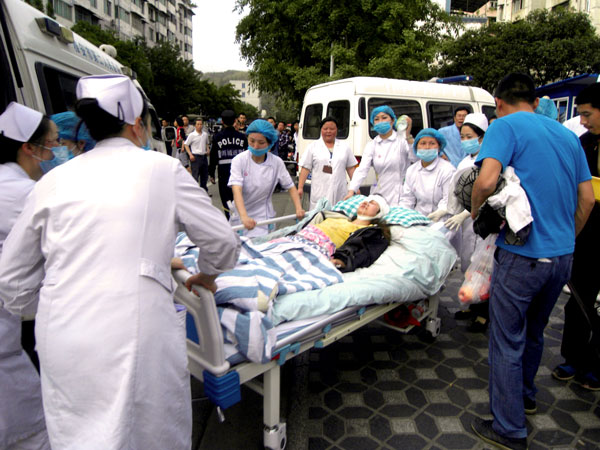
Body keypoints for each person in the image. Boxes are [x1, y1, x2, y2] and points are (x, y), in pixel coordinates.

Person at [0, 74, 240, 449]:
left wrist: (61, 299)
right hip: (138, 328)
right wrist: (206, 274)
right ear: (134, 122)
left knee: (77, 436)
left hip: (63, 334)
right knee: (150, 433)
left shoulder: (51, 182)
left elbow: (11, 280)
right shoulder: (162, 169)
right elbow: (223, 241)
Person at [469, 73, 594, 450]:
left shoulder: (504, 126)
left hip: (523, 256)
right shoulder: (568, 136)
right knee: (534, 331)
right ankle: (525, 396)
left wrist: (477, 214)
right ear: (536, 101)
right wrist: (565, 239)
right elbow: (587, 200)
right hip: (561, 257)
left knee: (506, 340)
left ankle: (508, 429)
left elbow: (486, 181)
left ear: (499, 103)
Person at [0, 102, 53, 449]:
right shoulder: (26, 192)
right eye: (52, 143)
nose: (55, 151)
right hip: (9, 330)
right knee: (30, 432)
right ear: (29, 148)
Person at [552, 83, 600, 391]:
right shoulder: (582, 144)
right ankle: (573, 357)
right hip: (585, 234)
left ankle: (596, 365)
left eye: (587, 114)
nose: (582, 121)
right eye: (580, 114)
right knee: (578, 300)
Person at [446, 113, 490, 333]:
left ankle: (484, 313)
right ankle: (472, 306)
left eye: (469, 136)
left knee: (481, 267)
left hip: (482, 223)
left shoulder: (489, 161)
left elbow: (488, 193)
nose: (465, 140)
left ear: (481, 137)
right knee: (467, 265)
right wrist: (445, 210)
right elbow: (456, 191)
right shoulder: (465, 160)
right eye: (462, 136)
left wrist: (466, 213)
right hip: (467, 226)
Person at [228, 119, 305, 237]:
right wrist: (244, 216)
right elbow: (236, 190)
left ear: (270, 144)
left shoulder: (276, 162)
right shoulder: (239, 160)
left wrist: (298, 208)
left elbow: (290, 187)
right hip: (241, 217)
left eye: (261, 142)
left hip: (264, 217)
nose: (255, 146)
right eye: (252, 141)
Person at [345, 105, 416, 206]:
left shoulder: (402, 141)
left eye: (384, 117)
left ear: (392, 121)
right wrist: (352, 190)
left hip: (403, 194)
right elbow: (362, 170)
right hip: (379, 193)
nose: (380, 121)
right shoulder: (372, 145)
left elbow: (415, 158)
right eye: (376, 119)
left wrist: (408, 136)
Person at [297, 117, 357, 210]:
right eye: (325, 129)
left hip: (339, 191)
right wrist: (300, 187)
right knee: (319, 220)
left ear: (336, 130)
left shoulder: (345, 147)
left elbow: (351, 168)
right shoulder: (313, 147)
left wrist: (356, 186)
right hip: (320, 192)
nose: (328, 131)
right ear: (321, 130)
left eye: (332, 129)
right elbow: (305, 168)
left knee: (338, 219)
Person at [399, 128, 455, 219]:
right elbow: (407, 199)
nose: (427, 147)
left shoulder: (448, 170)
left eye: (432, 143)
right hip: (419, 219)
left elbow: (448, 200)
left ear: (439, 147)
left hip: (443, 220)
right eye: (423, 143)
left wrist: (439, 213)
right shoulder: (412, 170)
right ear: (416, 147)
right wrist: (403, 215)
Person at [209, 109, 248, 218]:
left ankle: (230, 220)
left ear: (222, 121)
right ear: (235, 121)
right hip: (240, 174)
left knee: (227, 200)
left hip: (224, 174)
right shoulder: (242, 137)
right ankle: (241, 220)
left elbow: (213, 157)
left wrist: (211, 173)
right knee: (239, 198)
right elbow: (248, 156)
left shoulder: (217, 137)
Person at [184, 118, 209, 191]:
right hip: (196, 157)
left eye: (201, 124)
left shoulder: (205, 134)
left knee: (204, 175)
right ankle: (194, 192)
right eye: (198, 124)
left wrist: (207, 149)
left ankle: (204, 191)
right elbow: (186, 145)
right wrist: (190, 154)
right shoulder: (192, 135)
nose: (199, 126)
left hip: (204, 157)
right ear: (195, 125)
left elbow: (207, 143)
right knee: (195, 176)